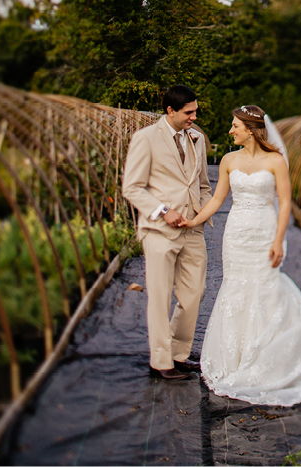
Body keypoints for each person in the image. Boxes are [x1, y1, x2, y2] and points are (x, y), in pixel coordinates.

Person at [185, 105, 301, 405]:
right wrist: (194, 221)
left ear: (251, 130)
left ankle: (266, 357)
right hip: (236, 233)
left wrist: (279, 240)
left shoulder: (276, 161)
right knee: (236, 288)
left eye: (235, 126)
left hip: (264, 230)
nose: (230, 131)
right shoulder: (229, 160)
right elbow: (218, 198)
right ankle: (236, 359)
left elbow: (284, 203)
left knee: (265, 287)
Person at [121, 85, 212, 380]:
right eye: (188, 112)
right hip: (160, 230)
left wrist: (203, 212)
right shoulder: (145, 139)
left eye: (195, 111)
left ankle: (179, 354)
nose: (193, 117)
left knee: (193, 295)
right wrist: (163, 210)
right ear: (170, 110)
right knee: (160, 298)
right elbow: (132, 187)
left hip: (192, 229)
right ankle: (161, 362)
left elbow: (201, 184)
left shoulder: (197, 139)